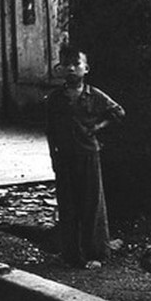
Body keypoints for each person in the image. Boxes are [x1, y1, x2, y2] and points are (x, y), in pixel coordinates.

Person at [45, 44, 124, 269]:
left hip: (88, 155)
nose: (71, 69)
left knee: (92, 204)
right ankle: (69, 252)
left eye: (76, 64)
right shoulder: (55, 99)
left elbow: (118, 113)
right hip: (64, 157)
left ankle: (95, 253)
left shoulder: (94, 95)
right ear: (59, 68)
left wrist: (97, 127)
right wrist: (53, 155)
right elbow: (50, 129)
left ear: (86, 68)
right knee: (68, 204)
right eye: (66, 64)